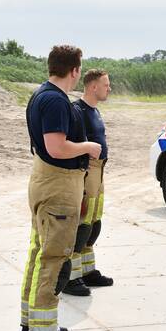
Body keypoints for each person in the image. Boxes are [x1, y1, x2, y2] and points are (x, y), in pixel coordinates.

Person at [19, 45, 101, 331]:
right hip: (58, 186)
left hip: (46, 181)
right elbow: (56, 147)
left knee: (39, 253)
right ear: (75, 70)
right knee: (55, 258)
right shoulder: (55, 100)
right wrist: (88, 147)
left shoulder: (41, 94)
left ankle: (32, 324)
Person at [64, 69, 114, 296]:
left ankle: (87, 271)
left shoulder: (94, 111)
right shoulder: (77, 111)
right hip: (87, 172)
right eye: (105, 85)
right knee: (82, 225)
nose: (109, 88)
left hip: (99, 171)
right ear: (93, 86)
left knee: (94, 224)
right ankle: (70, 278)